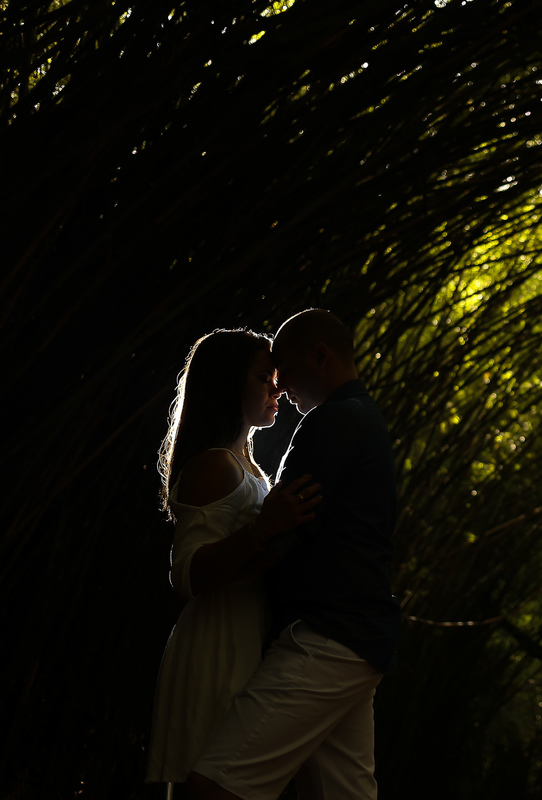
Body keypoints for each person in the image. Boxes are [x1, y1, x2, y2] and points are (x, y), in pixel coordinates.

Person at [186, 309, 401, 800]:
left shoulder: (333, 421)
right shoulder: (365, 418)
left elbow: (287, 537)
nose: (279, 388)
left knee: (212, 785)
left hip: (326, 636)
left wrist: (215, 572)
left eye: (282, 370)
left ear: (319, 356)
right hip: (360, 637)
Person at [147, 329, 322, 792]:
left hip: (246, 637)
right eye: (265, 377)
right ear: (228, 383)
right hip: (217, 645)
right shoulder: (214, 465)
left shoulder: (247, 466)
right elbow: (187, 575)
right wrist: (263, 530)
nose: (277, 389)